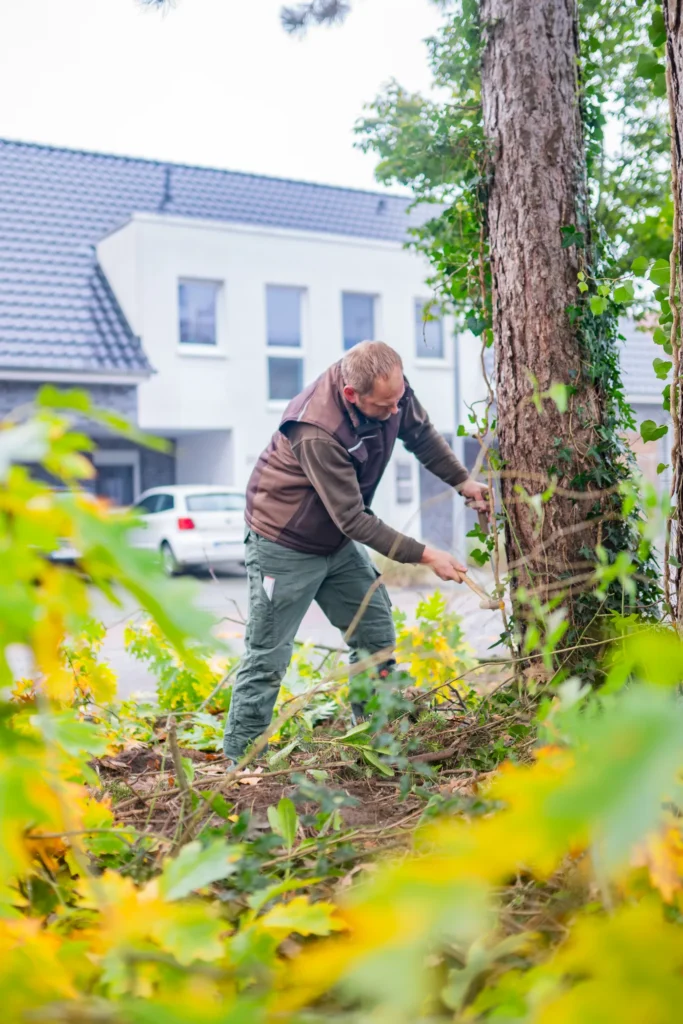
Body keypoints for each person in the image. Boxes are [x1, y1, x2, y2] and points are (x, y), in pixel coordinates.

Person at [223, 341, 488, 762]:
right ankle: (242, 760)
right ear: (352, 395)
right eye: (385, 407)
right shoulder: (315, 429)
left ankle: (376, 739)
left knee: (375, 634)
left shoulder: (390, 391)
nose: (394, 412)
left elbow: (419, 434)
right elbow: (354, 519)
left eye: (398, 400)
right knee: (268, 654)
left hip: (334, 539)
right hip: (285, 543)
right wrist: (426, 555)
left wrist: (462, 481)